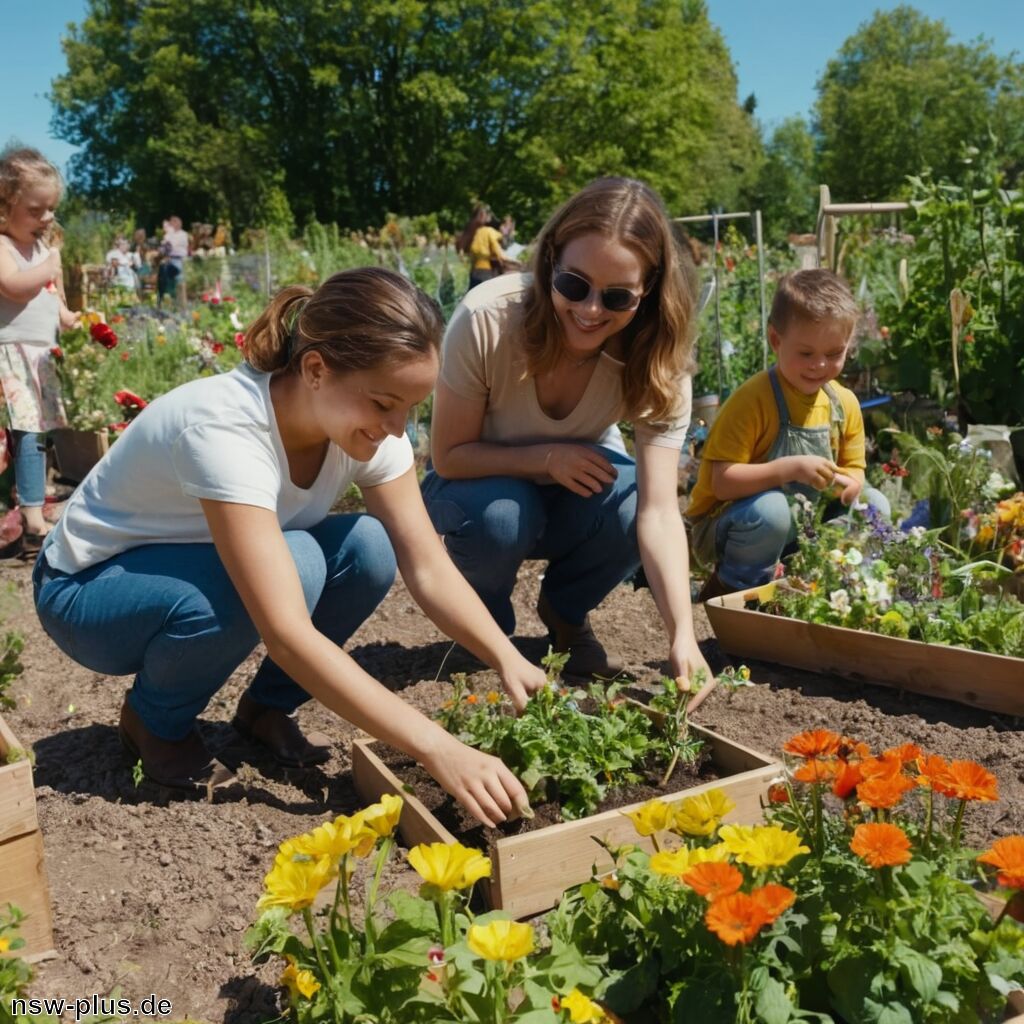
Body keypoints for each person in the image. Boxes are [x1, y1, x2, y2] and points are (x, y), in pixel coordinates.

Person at [33, 268, 546, 827]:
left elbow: (426, 565)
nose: (398, 429)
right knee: (298, 567)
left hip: (184, 568)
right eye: (383, 404)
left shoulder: (363, 429)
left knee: (368, 546)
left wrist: (507, 658)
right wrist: (436, 746)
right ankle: (153, 723)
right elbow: (285, 634)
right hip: (87, 592)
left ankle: (264, 711)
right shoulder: (227, 429)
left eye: (411, 409)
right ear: (317, 369)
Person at [424, 177, 715, 707]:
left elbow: (658, 512)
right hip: (473, 487)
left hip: (567, 494)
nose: (591, 310)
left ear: (649, 289)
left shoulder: (657, 361)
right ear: (550, 260)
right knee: (503, 514)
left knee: (628, 501)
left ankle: (565, 612)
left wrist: (682, 635)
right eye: (574, 285)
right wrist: (546, 458)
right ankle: (485, 628)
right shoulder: (488, 318)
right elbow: (448, 456)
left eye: (618, 296)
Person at [686, 269, 891, 602]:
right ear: (775, 340)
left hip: (803, 527)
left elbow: (854, 467)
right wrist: (791, 469)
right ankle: (735, 592)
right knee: (772, 511)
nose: (820, 366)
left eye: (834, 354)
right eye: (806, 353)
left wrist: (851, 484)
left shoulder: (844, 404)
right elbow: (721, 482)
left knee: (874, 505)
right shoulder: (753, 400)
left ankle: (831, 586)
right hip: (729, 524)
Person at [0, 147, 79, 552]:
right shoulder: (3, 248)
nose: (47, 218)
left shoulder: (45, 254)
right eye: (35, 210)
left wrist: (69, 318)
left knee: (42, 433)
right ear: (4, 207)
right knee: (27, 432)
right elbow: (13, 286)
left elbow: (54, 299)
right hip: (13, 354)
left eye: (51, 209)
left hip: (43, 357)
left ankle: (35, 500)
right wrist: (46, 269)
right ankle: (30, 515)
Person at [455, 204, 515, 292]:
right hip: (485, 271)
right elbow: (500, 251)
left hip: (475, 271)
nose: (488, 215)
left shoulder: (475, 231)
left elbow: (461, 250)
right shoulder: (487, 231)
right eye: (485, 214)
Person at [156, 215, 189, 307]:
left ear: (177, 224)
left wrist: (167, 240)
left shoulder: (182, 234)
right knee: (166, 281)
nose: (170, 225)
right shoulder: (170, 234)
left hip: (178, 260)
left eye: (171, 223)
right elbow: (165, 248)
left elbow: (171, 246)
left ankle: (182, 305)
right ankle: (165, 302)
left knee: (179, 282)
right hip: (169, 260)